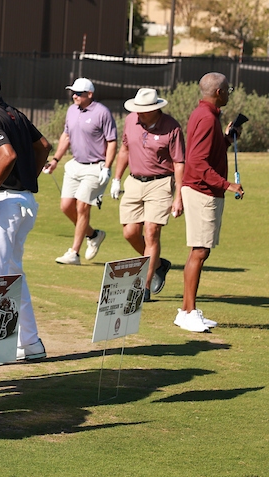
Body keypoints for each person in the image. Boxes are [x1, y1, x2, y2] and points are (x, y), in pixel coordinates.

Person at [0, 70, 51, 362]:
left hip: (3, 204)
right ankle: (29, 343)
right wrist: (28, 178)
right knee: (13, 274)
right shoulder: (14, 113)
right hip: (24, 201)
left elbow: (7, 155)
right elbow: (44, 147)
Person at [176, 73, 244, 333]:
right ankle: (189, 311)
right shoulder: (206, 118)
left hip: (203, 191)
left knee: (200, 250)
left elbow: (209, 153)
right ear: (218, 92)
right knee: (200, 251)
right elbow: (197, 163)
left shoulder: (206, 115)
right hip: (202, 192)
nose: (229, 93)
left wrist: (227, 138)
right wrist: (228, 185)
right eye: (228, 89)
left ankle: (186, 310)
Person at [109, 88, 183, 301]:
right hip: (134, 181)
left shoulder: (172, 127)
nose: (138, 113)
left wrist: (178, 195)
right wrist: (116, 178)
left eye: (143, 110)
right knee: (130, 233)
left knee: (151, 232)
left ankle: (145, 287)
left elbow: (179, 162)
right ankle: (158, 263)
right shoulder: (132, 120)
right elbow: (124, 150)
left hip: (160, 183)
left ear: (154, 109)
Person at [45, 78, 116, 265]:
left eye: (78, 93)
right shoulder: (71, 110)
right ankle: (93, 235)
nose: (74, 96)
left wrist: (107, 167)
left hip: (96, 167)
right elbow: (66, 136)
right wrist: (55, 160)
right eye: (73, 93)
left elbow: (112, 141)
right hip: (75, 165)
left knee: (82, 207)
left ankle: (74, 253)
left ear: (89, 94)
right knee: (66, 206)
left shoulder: (102, 113)